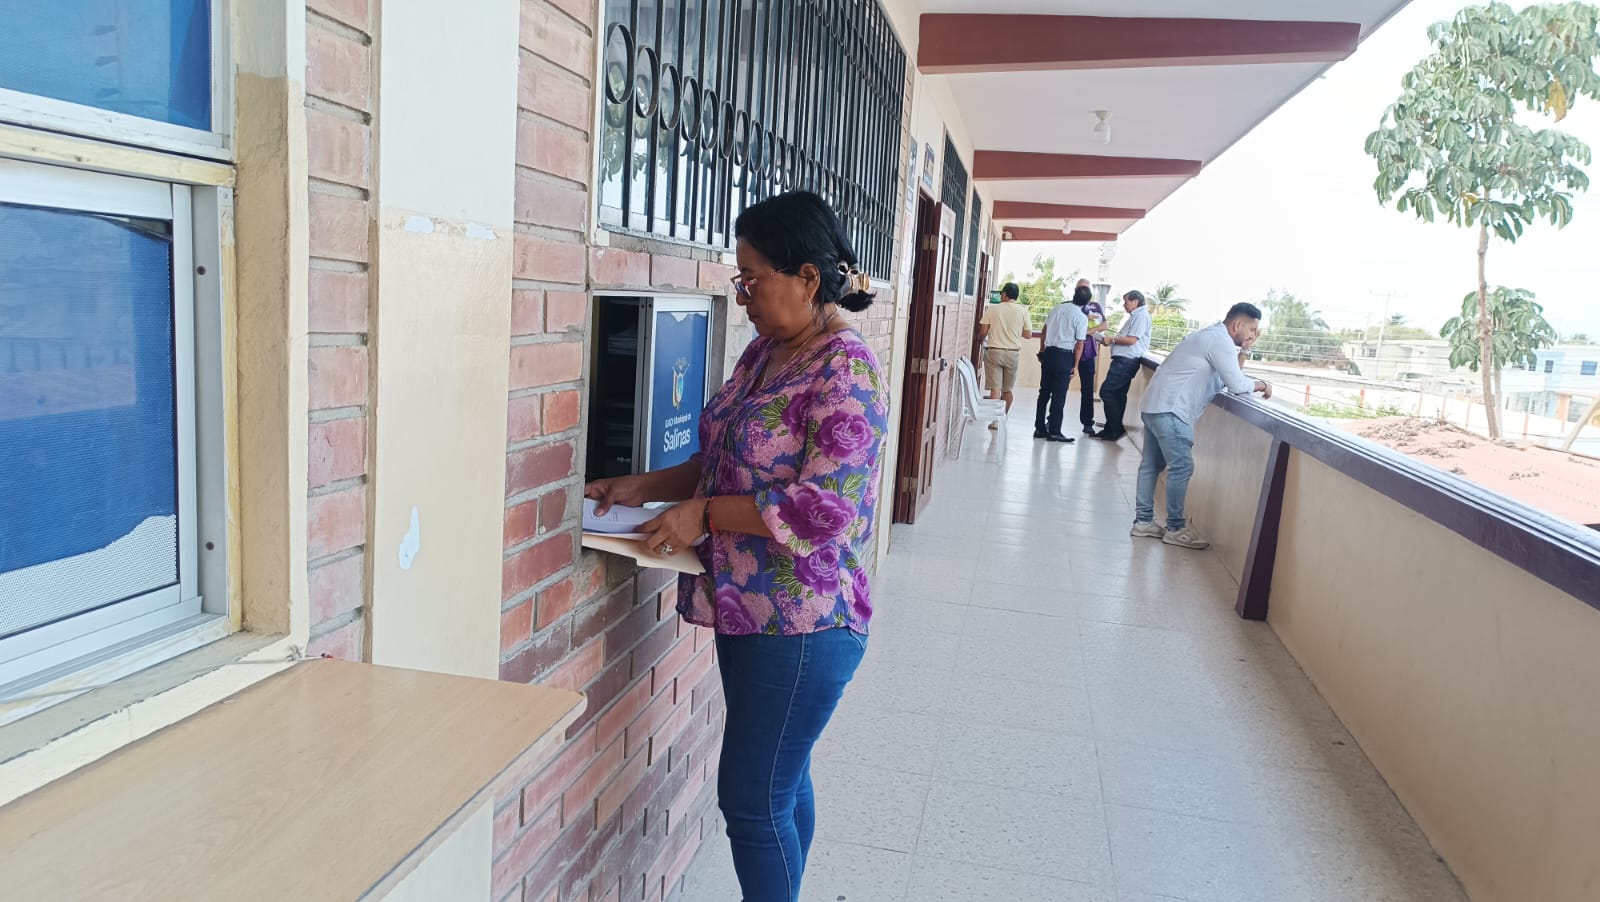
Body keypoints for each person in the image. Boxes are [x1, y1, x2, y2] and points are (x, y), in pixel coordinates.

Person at [584, 191, 888, 902]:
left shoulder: (846, 369)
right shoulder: (767, 352)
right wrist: (640, 487)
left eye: (753, 279)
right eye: (739, 278)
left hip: (804, 622)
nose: (743, 295)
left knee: (752, 800)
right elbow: (721, 457)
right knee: (783, 780)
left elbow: (828, 509)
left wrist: (704, 516)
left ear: (807, 278)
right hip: (753, 612)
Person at [1132, 302, 1274, 549]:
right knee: (1182, 467)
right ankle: (1175, 528)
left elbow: (1231, 375)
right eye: (1251, 329)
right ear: (1237, 325)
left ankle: (1143, 522)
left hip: (1154, 406)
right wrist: (1262, 384)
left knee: (1151, 466)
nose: (1254, 335)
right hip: (1172, 411)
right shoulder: (1220, 341)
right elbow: (1238, 385)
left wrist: (1244, 350)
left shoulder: (1211, 337)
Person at [1092, 289, 1151, 441]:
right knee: (1118, 395)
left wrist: (1112, 339)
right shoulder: (1136, 316)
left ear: (1135, 302)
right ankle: (1111, 429)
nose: (1124, 305)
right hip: (1124, 360)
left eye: (1126, 302)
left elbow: (1131, 340)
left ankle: (1116, 429)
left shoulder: (1140, 316)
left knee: (1107, 392)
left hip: (1126, 360)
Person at [1034, 287, 1088, 442]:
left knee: (1044, 393)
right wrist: (1075, 366)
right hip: (1064, 357)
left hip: (1049, 353)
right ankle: (1054, 431)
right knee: (1059, 395)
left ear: (1074, 295)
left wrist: (1042, 349)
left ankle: (1039, 428)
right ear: (1086, 302)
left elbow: (1044, 330)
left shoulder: (1057, 308)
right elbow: (1079, 345)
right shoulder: (1081, 317)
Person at [978, 282, 1033, 426]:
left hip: (994, 352)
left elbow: (983, 332)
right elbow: (1028, 335)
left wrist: (979, 341)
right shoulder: (1023, 311)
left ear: (1004, 294)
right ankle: (1002, 419)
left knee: (995, 390)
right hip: (1013, 354)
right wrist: (1015, 330)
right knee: (1007, 390)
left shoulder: (993, 309)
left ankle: (994, 421)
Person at [1072, 280, 1108, 435]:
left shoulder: (1095, 306)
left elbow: (1104, 325)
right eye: (1081, 288)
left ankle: (1087, 422)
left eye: (1086, 288)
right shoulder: (1069, 306)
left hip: (1088, 352)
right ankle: (1052, 420)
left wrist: (1087, 331)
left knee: (1087, 389)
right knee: (1059, 387)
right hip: (1070, 350)